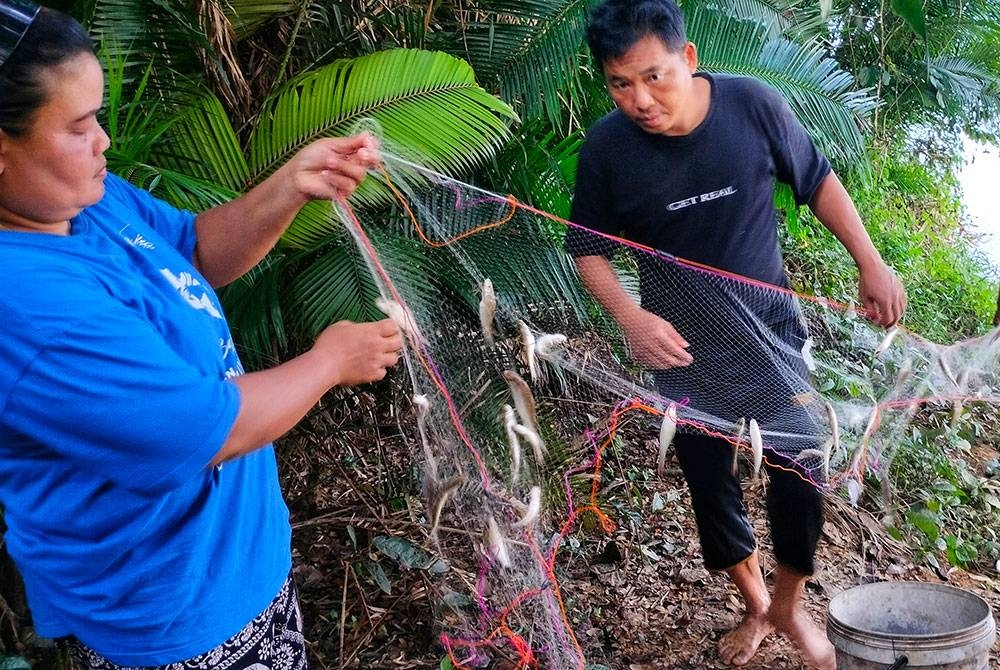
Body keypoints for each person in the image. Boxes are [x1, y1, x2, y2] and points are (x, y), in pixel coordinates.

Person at [0, 3, 403, 668]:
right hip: (173, 616)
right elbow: (196, 432)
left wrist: (291, 185)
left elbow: (190, 250)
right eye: (79, 128)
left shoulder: (78, 201)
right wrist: (330, 361)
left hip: (233, 565)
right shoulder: (26, 301)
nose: (104, 141)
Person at [565, 1, 906, 668]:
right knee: (711, 488)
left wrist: (871, 260)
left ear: (688, 59)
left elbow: (817, 181)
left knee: (801, 471)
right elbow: (587, 249)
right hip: (684, 352)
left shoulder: (752, 105)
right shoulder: (607, 150)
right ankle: (755, 608)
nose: (640, 99)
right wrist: (630, 318)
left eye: (654, 76)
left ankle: (789, 606)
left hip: (774, 336)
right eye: (620, 84)